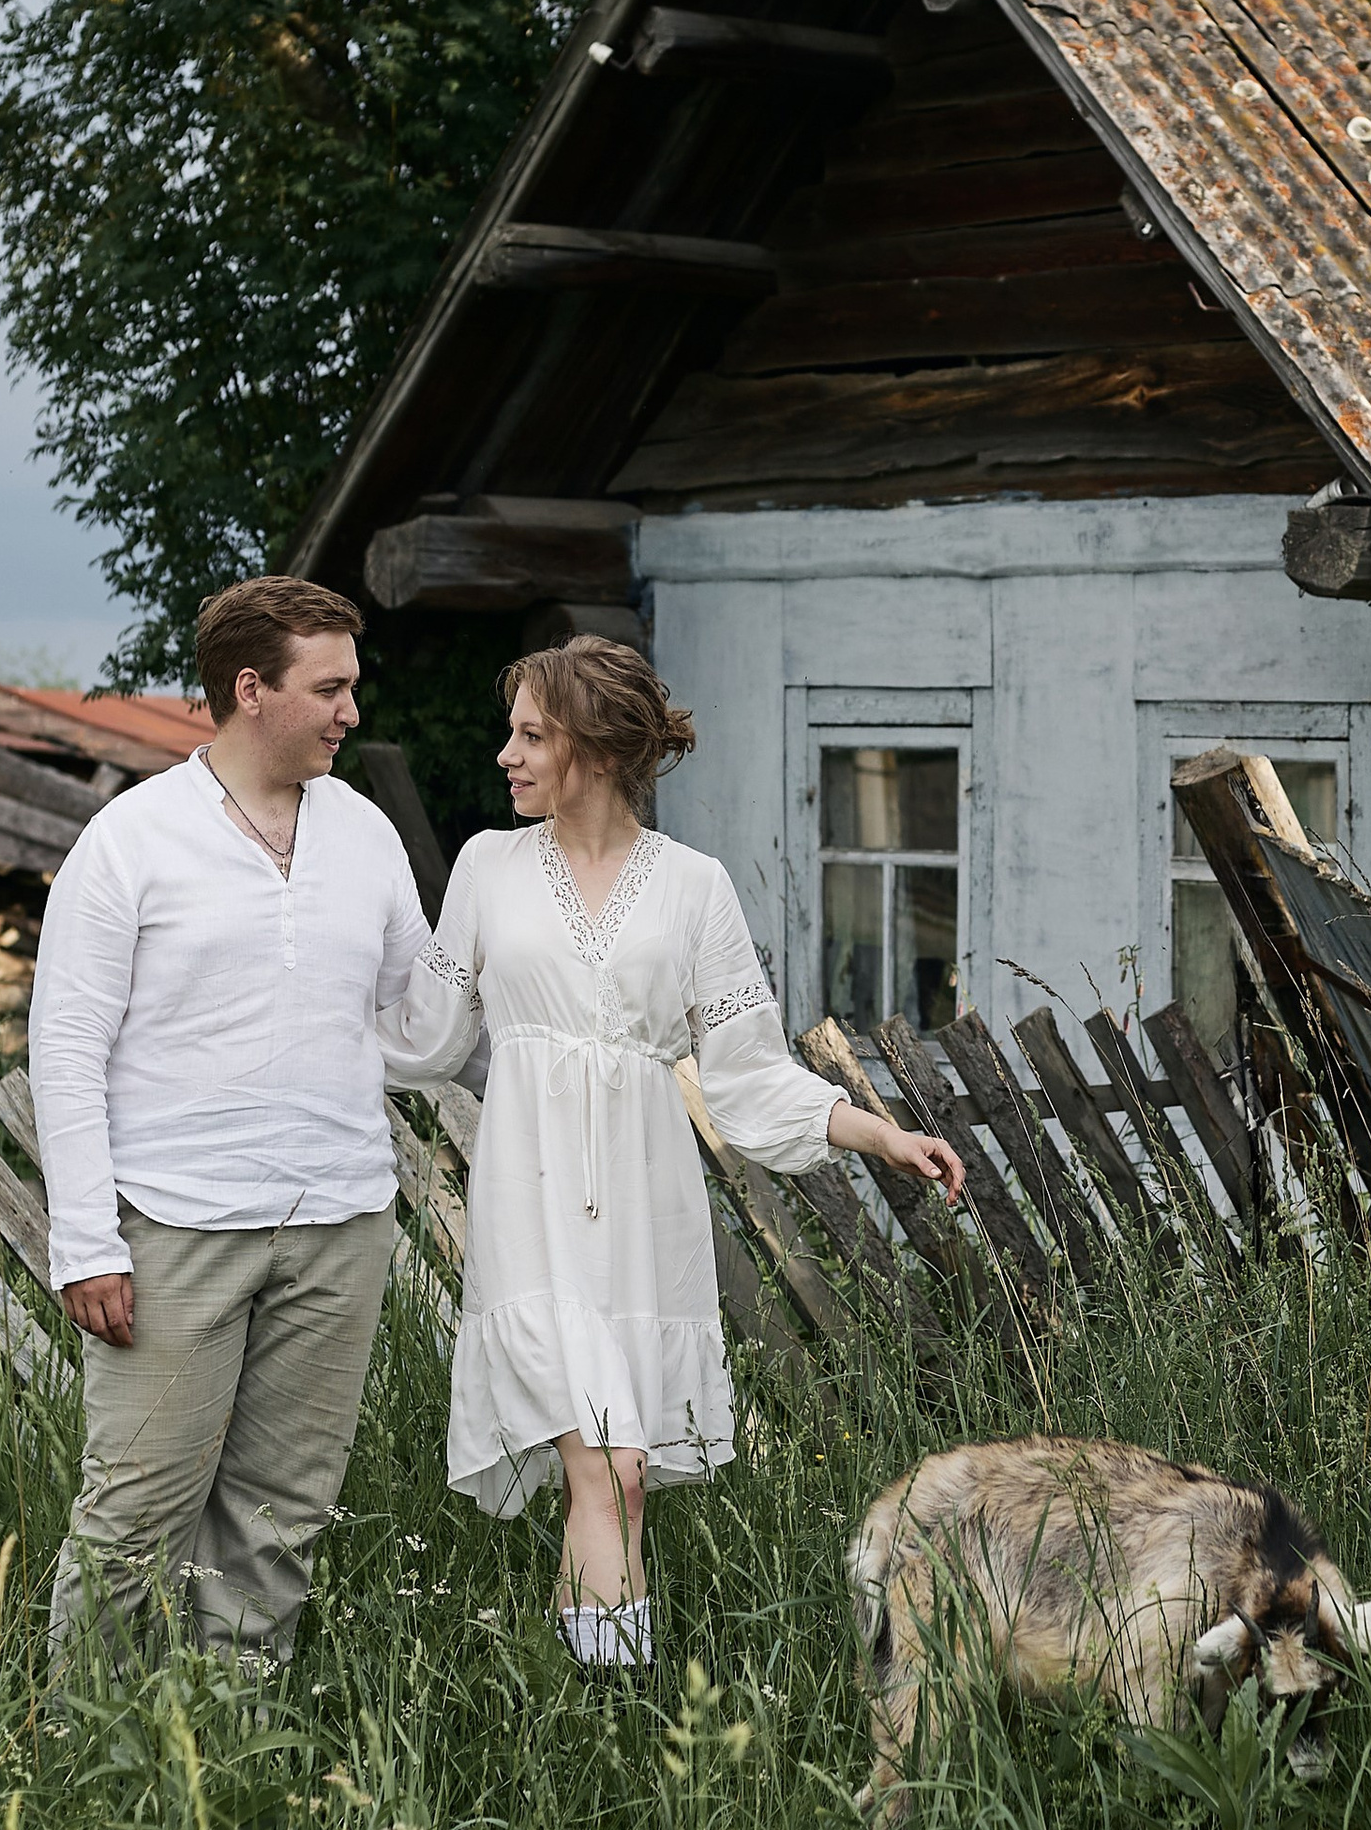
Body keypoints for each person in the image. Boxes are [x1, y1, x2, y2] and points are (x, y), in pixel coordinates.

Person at [380, 636, 964, 1674]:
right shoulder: (485, 866)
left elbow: (745, 1075)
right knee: (603, 1465)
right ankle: (615, 1702)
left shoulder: (693, 888)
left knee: (626, 1475)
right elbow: (422, 1035)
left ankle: (585, 1702)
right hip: (532, 1209)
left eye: (530, 735)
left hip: (647, 1220)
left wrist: (877, 1132)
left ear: (596, 748)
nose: (505, 756)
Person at [33, 575, 431, 1670]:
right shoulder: (131, 842)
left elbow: (416, 1020)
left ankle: (230, 1749)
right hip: (175, 1229)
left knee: (277, 1520)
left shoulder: (367, 837)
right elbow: (65, 1051)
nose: (352, 711)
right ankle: (84, 1767)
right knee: (132, 1520)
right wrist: (86, 1241)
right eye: (332, 687)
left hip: (340, 1221)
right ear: (250, 689)